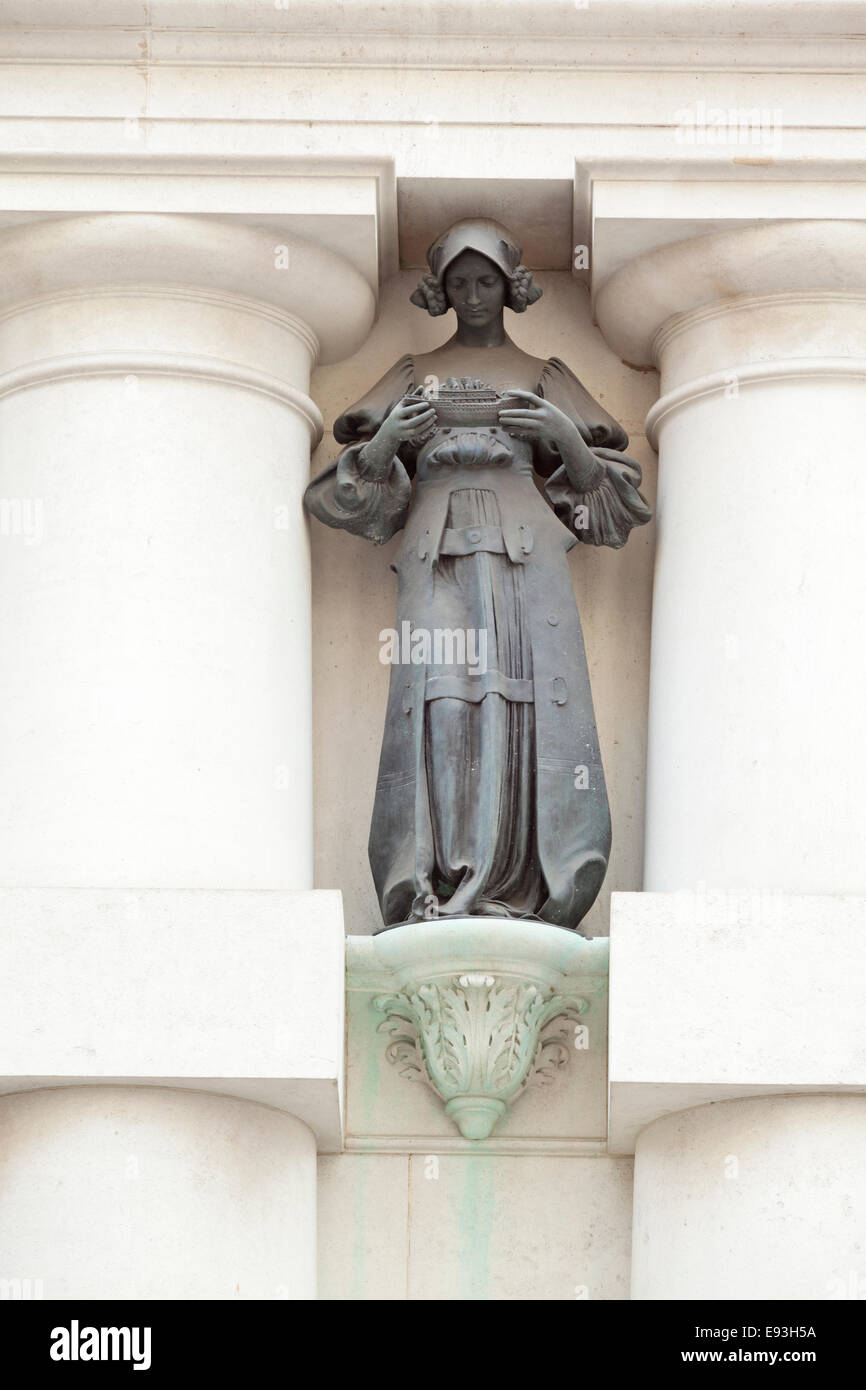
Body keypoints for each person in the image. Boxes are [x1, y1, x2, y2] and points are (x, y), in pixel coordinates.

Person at [305, 218, 651, 931]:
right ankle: (438, 881)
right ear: (440, 290)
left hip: (529, 561)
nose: (472, 294)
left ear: (510, 285)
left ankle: (522, 882)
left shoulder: (547, 377)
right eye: (458, 282)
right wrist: (391, 442)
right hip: (435, 559)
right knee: (442, 705)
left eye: (485, 280)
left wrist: (560, 436)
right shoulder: (407, 377)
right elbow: (350, 499)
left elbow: (614, 503)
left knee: (525, 705)